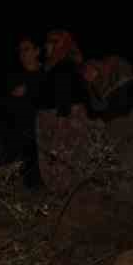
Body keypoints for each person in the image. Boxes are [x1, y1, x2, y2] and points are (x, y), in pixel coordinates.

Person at [83, 54, 133, 207]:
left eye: (91, 68)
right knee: (120, 173)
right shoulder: (102, 83)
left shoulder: (121, 74)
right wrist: (92, 84)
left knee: (131, 171)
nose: (88, 72)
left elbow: (120, 105)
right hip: (115, 132)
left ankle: (132, 207)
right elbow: (98, 108)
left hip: (126, 131)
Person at [35, 29, 91, 195]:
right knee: (52, 159)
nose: (49, 45)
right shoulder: (51, 65)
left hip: (62, 118)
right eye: (49, 41)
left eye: (55, 41)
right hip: (51, 117)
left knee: (61, 159)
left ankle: (63, 195)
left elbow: (65, 101)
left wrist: (60, 125)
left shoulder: (66, 65)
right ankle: (59, 194)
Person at [4, 36, 45, 188]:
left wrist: (30, 89)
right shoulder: (14, 77)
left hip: (44, 134)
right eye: (20, 50)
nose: (22, 54)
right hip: (21, 136)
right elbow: (7, 108)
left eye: (26, 49)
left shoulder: (47, 74)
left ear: (37, 51)